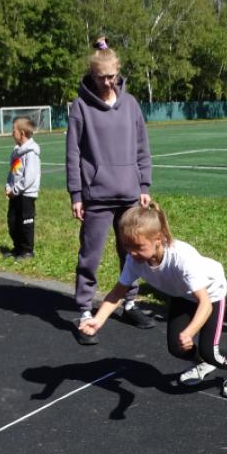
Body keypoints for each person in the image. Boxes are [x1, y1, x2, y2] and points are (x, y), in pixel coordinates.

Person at [78, 203, 227, 398]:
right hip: (182, 294)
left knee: (209, 351)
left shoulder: (181, 258)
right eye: (127, 246)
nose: (132, 253)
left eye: (138, 247)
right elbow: (117, 293)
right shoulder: (134, 260)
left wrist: (189, 332)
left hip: (211, 294)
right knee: (176, 348)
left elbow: (205, 304)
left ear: (158, 239)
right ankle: (203, 362)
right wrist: (98, 320)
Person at [66, 36, 154, 330]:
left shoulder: (131, 104)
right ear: (92, 75)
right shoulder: (81, 107)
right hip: (96, 197)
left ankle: (129, 303)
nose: (107, 82)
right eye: (101, 77)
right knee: (90, 256)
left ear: (118, 72)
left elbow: (142, 147)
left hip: (129, 194)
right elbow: (73, 153)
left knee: (131, 253)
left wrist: (144, 186)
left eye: (112, 76)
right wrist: (76, 194)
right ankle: (84, 309)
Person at [5, 116, 41, 259]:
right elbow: (13, 172)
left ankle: (27, 250)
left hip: (26, 194)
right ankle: (17, 247)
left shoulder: (31, 153)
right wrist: (9, 185)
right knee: (13, 221)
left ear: (22, 133)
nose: (12, 133)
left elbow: (29, 178)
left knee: (25, 222)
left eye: (13, 130)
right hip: (15, 194)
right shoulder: (17, 152)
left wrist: (15, 190)